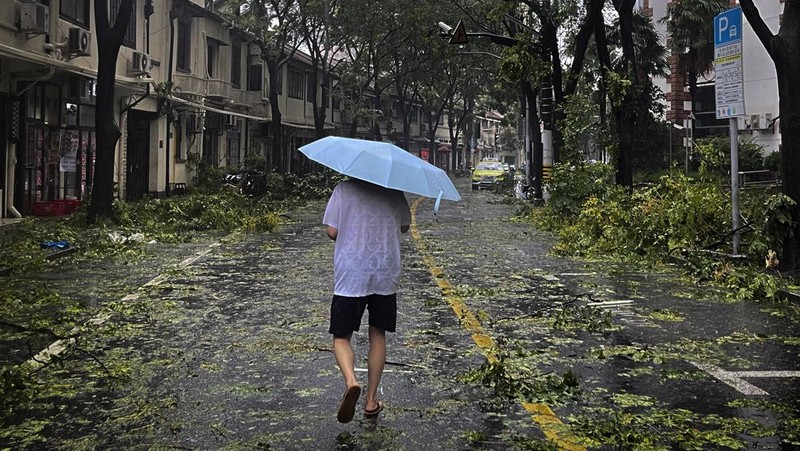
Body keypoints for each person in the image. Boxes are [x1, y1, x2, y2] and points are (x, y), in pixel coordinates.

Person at [322, 178, 411, 423]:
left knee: (341, 336)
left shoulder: (343, 189)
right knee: (378, 333)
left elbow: (332, 231)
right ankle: (371, 401)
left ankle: (351, 381)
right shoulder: (394, 190)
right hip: (385, 270)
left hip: (351, 273)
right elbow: (404, 225)